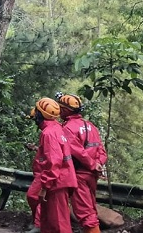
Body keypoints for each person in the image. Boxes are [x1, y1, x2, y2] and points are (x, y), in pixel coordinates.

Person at [57, 93, 107, 233]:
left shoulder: (67, 128)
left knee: (84, 211)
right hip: (92, 175)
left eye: (61, 108)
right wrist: (98, 164)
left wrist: (91, 164)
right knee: (90, 208)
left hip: (79, 174)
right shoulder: (90, 126)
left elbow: (78, 152)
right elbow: (101, 151)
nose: (59, 111)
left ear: (66, 110)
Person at [26, 97, 77, 233]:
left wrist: (45, 186)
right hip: (59, 180)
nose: (34, 114)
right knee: (48, 223)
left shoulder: (49, 133)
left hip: (57, 183)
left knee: (60, 224)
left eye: (36, 111)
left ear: (41, 114)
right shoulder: (56, 128)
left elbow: (54, 161)